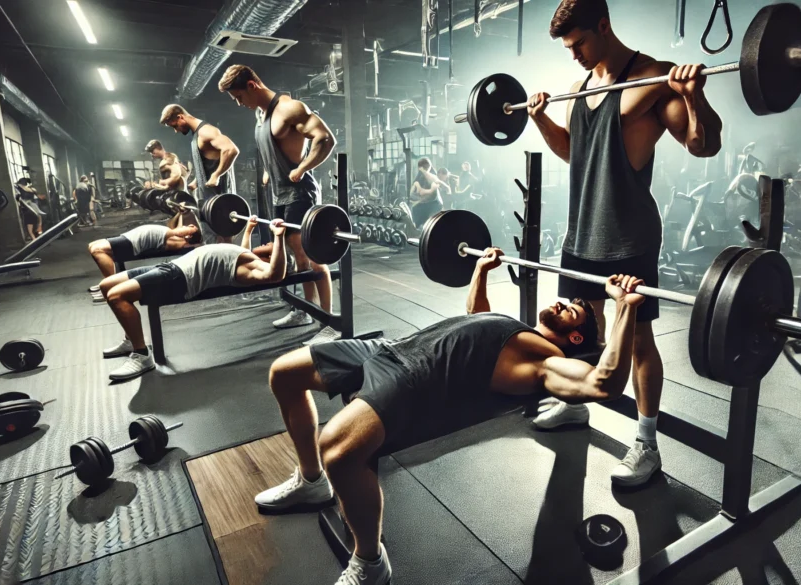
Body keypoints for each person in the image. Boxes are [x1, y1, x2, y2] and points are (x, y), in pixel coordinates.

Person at [255, 247, 643, 585]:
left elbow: (602, 384)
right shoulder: (519, 332)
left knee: (338, 451)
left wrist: (623, 308)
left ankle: (370, 562)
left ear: (576, 338)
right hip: (394, 348)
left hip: (415, 379)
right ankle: (311, 481)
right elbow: (475, 317)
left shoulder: (546, 362)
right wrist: (480, 272)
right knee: (284, 374)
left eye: (572, 310)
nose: (561, 303)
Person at [523, 0, 722, 487]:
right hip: (582, 230)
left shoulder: (653, 79)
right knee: (577, 333)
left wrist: (693, 97)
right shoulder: (578, 87)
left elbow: (704, 145)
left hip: (629, 234)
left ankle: (647, 443)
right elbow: (574, 152)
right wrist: (542, 120)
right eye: (568, 48)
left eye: (580, 44)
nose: (574, 55)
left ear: (604, 26)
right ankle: (575, 405)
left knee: (635, 341)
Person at [218, 64, 337, 340]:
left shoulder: (289, 109)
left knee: (311, 255)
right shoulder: (261, 115)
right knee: (296, 257)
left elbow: (325, 139)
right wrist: (267, 172)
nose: (239, 104)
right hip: (279, 193)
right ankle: (305, 310)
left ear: (252, 86)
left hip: (299, 192)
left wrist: (302, 168)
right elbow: (275, 148)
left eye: (239, 97)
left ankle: (328, 321)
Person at [97, 217, 288, 381]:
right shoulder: (248, 257)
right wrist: (248, 229)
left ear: (272, 256)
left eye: (270, 245)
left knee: (117, 296)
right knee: (106, 286)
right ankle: (131, 339)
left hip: (180, 279)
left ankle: (142, 354)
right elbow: (245, 250)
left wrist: (279, 237)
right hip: (172, 266)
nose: (266, 243)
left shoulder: (254, 267)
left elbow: (275, 275)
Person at [160, 104, 239, 243]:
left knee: (222, 236)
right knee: (211, 236)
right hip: (207, 196)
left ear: (180, 117)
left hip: (219, 198)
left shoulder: (206, 131)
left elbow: (231, 150)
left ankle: (227, 262)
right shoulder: (196, 136)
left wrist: (217, 175)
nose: (175, 131)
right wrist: (197, 181)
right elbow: (208, 162)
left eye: (174, 126)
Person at [86, 212, 202, 300]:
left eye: (187, 229)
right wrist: (181, 212)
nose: (185, 226)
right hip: (129, 236)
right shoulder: (174, 234)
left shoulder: (177, 240)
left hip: (133, 243)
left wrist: (192, 228)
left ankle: (111, 285)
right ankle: (107, 283)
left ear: (188, 236)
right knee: (92, 245)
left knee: (97, 250)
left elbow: (183, 233)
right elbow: (178, 227)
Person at [405, 157, 448, 229]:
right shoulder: (420, 177)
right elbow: (413, 193)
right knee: (416, 211)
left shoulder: (431, 176)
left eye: (426, 167)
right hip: (424, 204)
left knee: (431, 224)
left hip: (434, 204)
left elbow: (435, 192)